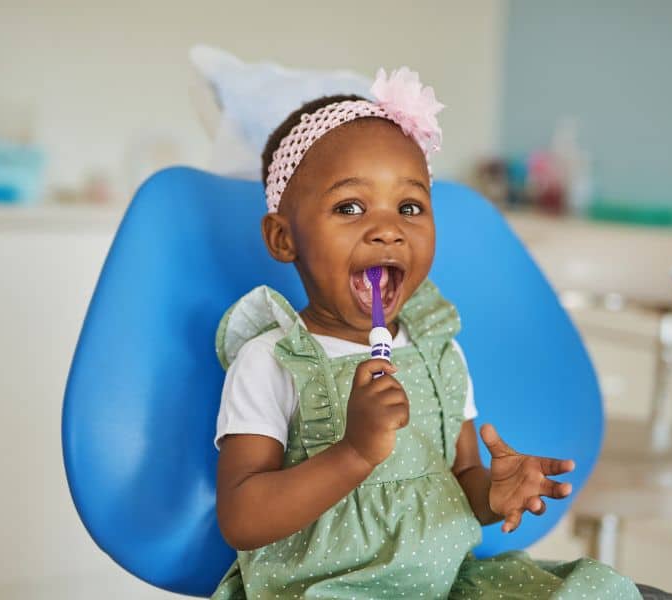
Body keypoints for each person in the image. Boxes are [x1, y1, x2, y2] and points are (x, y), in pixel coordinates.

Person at [211, 67, 640, 599]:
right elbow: (242, 518)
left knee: (595, 590)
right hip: (326, 591)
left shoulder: (439, 352)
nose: (388, 229)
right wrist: (354, 452)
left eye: (409, 207)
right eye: (350, 207)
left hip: (444, 586)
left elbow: (462, 476)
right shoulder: (273, 359)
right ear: (283, 238)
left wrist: (492, 492)